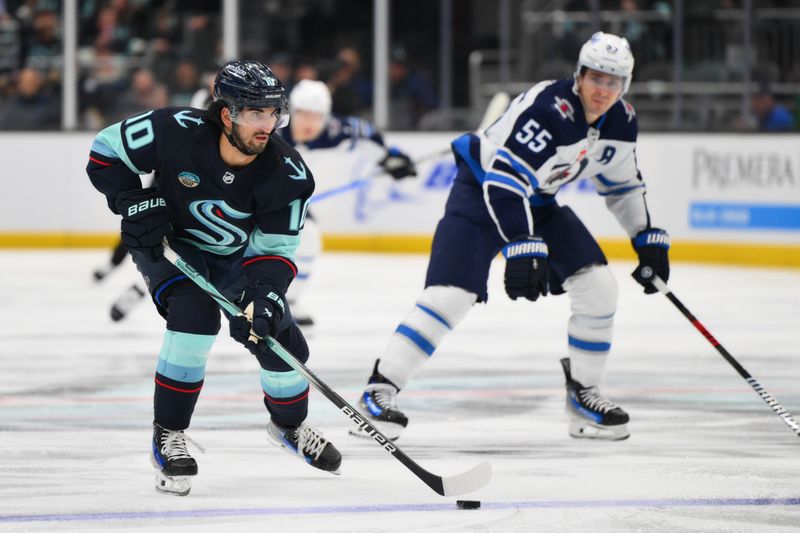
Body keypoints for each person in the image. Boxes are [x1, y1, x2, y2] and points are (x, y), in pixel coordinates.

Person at [354, 32, 671, 442]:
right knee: (450, 295)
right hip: (481, 192)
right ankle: (378, 391)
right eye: (596, 77)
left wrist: (645, 238)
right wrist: (522, 243)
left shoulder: (622, 122)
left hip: (537, 201)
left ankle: (583, 397)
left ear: (625, 86)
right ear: (579, 75)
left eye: (613, 81)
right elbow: (504, 182)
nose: (603, 89)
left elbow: (623, 186)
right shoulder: (549, 110)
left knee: (599, 286)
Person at [86, 60, 342, 496]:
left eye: (273, 113)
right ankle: (168, 434)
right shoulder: (175, 129)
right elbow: (104, 152)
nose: (268, 125)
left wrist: (265, 298)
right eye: (254, 113)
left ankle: (289, 426)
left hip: (236, 260)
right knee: (195, 312)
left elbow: (275, 251)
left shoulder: (288, 172)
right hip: (171, 244)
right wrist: (133, 201)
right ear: (226, 114)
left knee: (276, 336)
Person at [278, 79, 417, 326]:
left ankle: (288, 302)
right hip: (254, 197)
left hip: (291, 200)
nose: (310, 123)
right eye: (303, 115)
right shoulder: (273, 128)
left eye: (317, 116)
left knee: (309, 239)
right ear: (291, 112)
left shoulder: (335, 131)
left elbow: (370, 138)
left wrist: (392, 160)